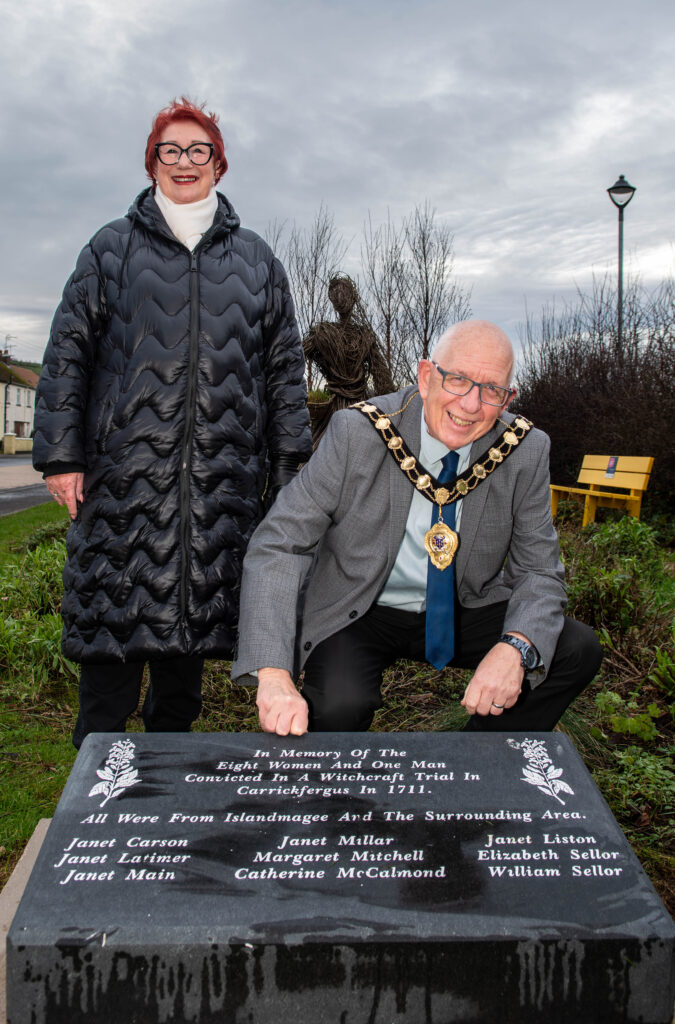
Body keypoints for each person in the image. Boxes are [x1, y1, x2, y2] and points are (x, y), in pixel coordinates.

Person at [33, 98, 312, 748]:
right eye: (170, 150)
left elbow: (282, 371)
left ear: (218, 163)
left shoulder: (255, 262)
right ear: (152, 162)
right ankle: (94, 811)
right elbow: (68, 350)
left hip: (219, 491)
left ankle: (165, 811)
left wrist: (289, 471)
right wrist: (60, 455)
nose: (184, 162)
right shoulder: (110, 248)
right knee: (108, 668)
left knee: (182, 675)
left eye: (197, 150)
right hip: (121, 488)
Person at [232, 319, 602, 735]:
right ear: (427, 377)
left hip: (464, 605)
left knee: (571, 648)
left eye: (492, 390)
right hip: (361, 605)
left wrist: (516, 648)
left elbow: (538, 570)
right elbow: (281, 543)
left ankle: (476, 765)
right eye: (458, 380)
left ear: (508, 397)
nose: (471, 405)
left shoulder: (525, 450)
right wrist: (274, 674)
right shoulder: (358, 432)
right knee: (337, 708)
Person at [303, 275, 394, 446]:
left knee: (323, 450)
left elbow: (293, 359)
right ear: (354, 298)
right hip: (361, 409)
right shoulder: (362, 336)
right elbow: (383, 383)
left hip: (334, 412)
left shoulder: (323, 333)